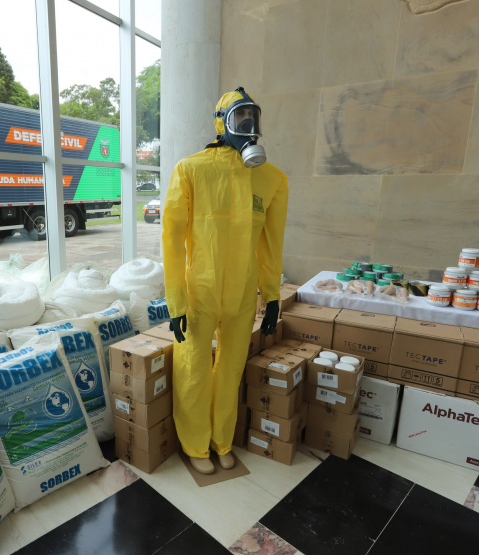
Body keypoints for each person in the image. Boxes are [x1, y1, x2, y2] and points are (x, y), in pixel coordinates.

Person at [162, 87, 289, 475]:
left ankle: (221, 440)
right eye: (240, 118)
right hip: (200, 293)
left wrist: (271, 297)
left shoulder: (271, 179)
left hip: (241, 295)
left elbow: (272, 245)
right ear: (222, 123)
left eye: (254, 119)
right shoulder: (191, 170)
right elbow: (171, 239)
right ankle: (196, 446)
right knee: (194, 367)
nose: (249, 128)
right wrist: (176, 303)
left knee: (231, 369)